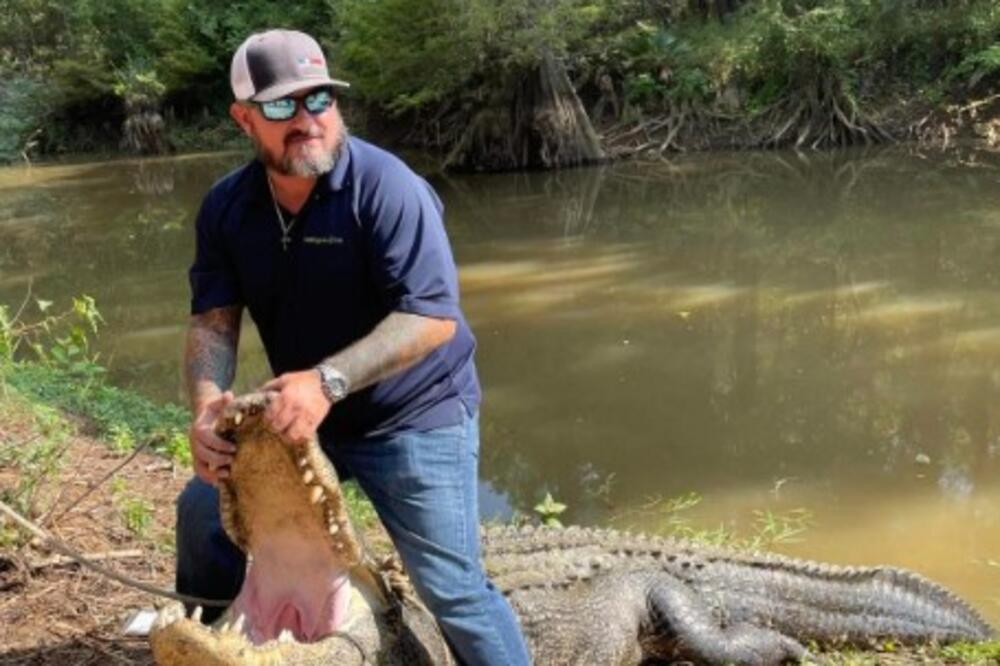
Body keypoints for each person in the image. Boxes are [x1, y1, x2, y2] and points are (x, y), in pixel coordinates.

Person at [176, 28, 532, 665]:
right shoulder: (227, 208)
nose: (307, 120)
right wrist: (206, 405)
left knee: (454, 593)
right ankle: (209, 645)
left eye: (319, 99)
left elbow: (431, 318)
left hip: (414, 413)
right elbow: (213, 321)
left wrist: (327, 382)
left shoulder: (387, 189)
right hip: (304, 417)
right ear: (244, 118)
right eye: (283, 106)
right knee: (203, 514)